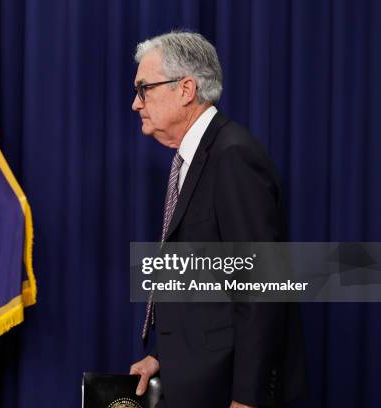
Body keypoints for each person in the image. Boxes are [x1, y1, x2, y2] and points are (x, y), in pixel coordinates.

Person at [128, 31, 307, 408]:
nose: (135, 103)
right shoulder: (193, 161)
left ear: (185, 89)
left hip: (227, 393)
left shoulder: (232, 157)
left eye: (144, 89)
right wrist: (163, 356)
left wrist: (248, 399)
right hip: (195, 379)